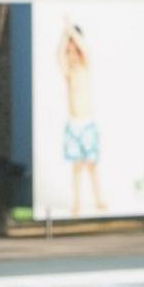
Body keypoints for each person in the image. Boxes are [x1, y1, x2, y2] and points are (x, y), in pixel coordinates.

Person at [56, 23, 109, 218]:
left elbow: (84, 48)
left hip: (87, 123)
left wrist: (70, 29)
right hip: (73, 123)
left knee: (91, 165)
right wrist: (65, 35)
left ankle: (98, 198)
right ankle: (77, 202)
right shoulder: (68, 71)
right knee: (76, 166)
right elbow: (59, 55)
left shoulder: (85, 66)